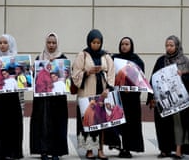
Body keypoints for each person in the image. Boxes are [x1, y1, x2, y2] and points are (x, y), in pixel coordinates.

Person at [147, 35, 189, 159]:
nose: (169, 48)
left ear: (177, 46)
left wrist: (182, 76)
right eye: (167, 45)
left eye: (171, 45)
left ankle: (178, 150)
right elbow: (153, 79)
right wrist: (151, 97)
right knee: (162, 125)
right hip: (163, 100)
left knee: (179, 124)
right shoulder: (161, 60)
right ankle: (164, 150)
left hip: (179, 100)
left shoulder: (185, 61)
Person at [72, 29, 115, 160]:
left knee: (102, 123)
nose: (96, 45)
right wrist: (87, 72)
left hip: (102, 93)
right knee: (88, 122)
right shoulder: (82, 55)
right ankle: (89, 150)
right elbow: (75, 74)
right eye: (93, 42)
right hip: (86, 93)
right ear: (89, 42)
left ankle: (101, 149)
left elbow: (111, 73)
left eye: (98, 42)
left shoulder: (106, 56)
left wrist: (108, 88)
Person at [30, 33, 69, 160]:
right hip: (43, 99)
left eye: (54, 43)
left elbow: (66, 78)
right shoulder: (39, 58)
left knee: (57, 123)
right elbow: (36, 79)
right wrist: (32, 71)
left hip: (58, 99)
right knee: (43, 123)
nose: (51, 45)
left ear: (57, 44)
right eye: (49, 43)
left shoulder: (63, 58)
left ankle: (56, 151)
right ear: (45, 43)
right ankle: (43, 150)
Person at [0, 34, 24, 160]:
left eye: (5, 43)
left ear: (10, 44)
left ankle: (14, 152)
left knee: (13, 124)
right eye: (0, 43)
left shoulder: (17, 59)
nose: (2, 45)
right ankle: (1, 152)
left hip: (13, 97)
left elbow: (22, 80)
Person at [111, 37, 145, 158]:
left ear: (131, 46)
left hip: (132, 99)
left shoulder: (137, 61)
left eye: (127, 44)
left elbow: (140, 80)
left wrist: (130, 90)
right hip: (118, 97)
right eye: (122, 44)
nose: (124, 46)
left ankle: (128, 148)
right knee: (118, 123)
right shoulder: (114, 59)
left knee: (130, 124)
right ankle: (120, 147)